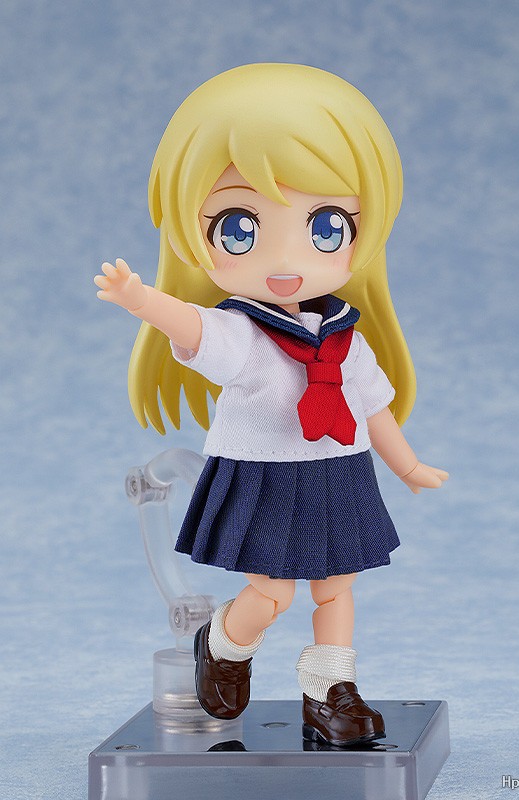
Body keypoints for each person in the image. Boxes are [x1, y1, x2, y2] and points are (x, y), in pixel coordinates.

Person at [95, 63, 448, 747]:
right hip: (267, 474)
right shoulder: (244, 333)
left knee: (337, 587)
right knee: (273, 592)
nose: (287, 259)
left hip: (339, 471)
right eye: (239, 227)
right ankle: (224, 645)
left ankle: (330, 690)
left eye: (326, 226)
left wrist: (406, 465)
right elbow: (194, 328)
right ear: (195, 236)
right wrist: (143, 301)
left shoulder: (345, 336)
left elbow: (372, 406)